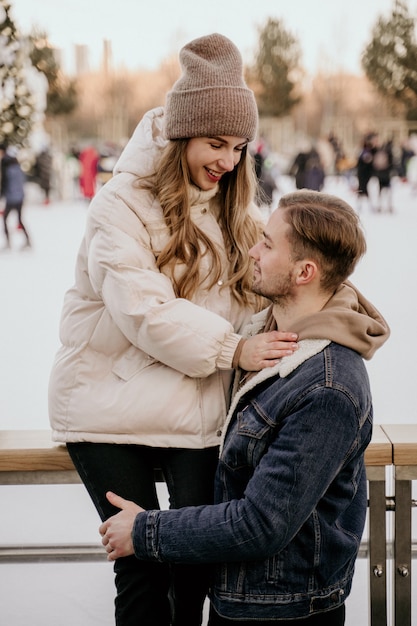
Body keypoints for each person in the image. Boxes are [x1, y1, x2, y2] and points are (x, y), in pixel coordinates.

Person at [48, 33, 298, 626]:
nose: (230, 160)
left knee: (194, 561)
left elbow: (280, 282)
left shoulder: (237, 208)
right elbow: (143, 309)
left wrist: (330, 301)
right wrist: (233, 348)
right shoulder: (120, 206)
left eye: (239, 146)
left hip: (196, 406)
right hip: (107, 404)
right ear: (181, 134)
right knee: (142, 565)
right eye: (216, 143)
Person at [99, 190, 391, 626]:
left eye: (268, 244)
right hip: (245, 599)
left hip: (282, 611)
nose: (252, 251)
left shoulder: (328, 387)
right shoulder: (271, 337)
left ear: (304, 272)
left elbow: (261, 523)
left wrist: (145, 532)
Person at [0, 144, 31, 250]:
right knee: (19, 219)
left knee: (5, 219)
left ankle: (8, 242)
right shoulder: (16, 163)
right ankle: (28, 241)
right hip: (19, 196)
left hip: (11, 196)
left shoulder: (5, 164)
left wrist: (2, 195)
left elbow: (5, 183)